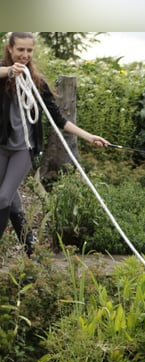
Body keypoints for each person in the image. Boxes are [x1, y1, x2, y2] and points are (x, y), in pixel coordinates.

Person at [0, 32, 110, 257]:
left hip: (24, 149)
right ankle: (32, 249)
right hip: (1, 147)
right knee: (11, 202)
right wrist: (9, 72)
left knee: (2, 197)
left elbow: (59, 120)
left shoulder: (37, 83)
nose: (25, 55)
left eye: (29, 50)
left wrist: (89, 137)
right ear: (10, 49)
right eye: (20, 49)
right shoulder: (3, 74)